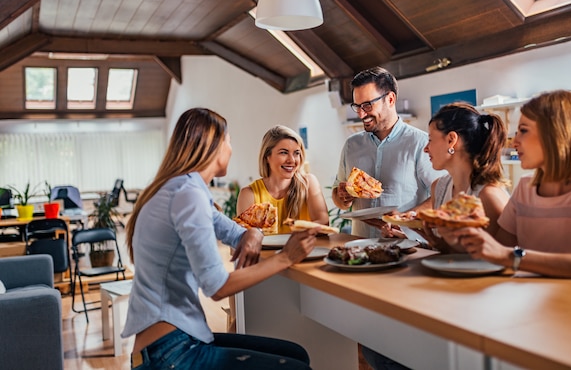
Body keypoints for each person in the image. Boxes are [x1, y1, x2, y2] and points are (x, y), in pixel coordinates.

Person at [121, 108, 318, 369]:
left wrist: (253, 233)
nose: (231, 149)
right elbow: (217, 287)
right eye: (228, 141)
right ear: (212, 145)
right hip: (170, 352)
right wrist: (285, 258)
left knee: (297, 354)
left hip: (175, 340)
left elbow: (235, 231)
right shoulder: (188, 195)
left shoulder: (184, 188)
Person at [439, 90, 571, 286]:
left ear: (557, 133)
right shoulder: (525, 189)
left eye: (524, 130)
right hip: (538, 306)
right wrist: (457, 239)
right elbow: (497, 253)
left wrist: (512, 256)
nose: (515, 140)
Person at [382, 103, 510, 252]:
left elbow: (504, 259)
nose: (426, 148)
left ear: (451, 140)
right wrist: (408, 242)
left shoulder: (490, 196)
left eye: (430, 139)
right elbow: (446, 251)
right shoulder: (439, 188)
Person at [332, 67, 444, 238]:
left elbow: (442, 195)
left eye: (368, 105)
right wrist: (342, 197)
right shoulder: (351, 145)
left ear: (390, 99)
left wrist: (405, 217)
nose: (361, 114)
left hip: (407, 248)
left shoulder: (420, 143)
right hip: (360, 247)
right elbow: (338, 197)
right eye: (357, 106)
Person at [238, 125, 329, 234]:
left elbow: (324, 223)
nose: (292, 160)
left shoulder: (308, 183)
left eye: (296, 153)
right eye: (284, 152)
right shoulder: (249, 194)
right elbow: (243, 239)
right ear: (267, 156)